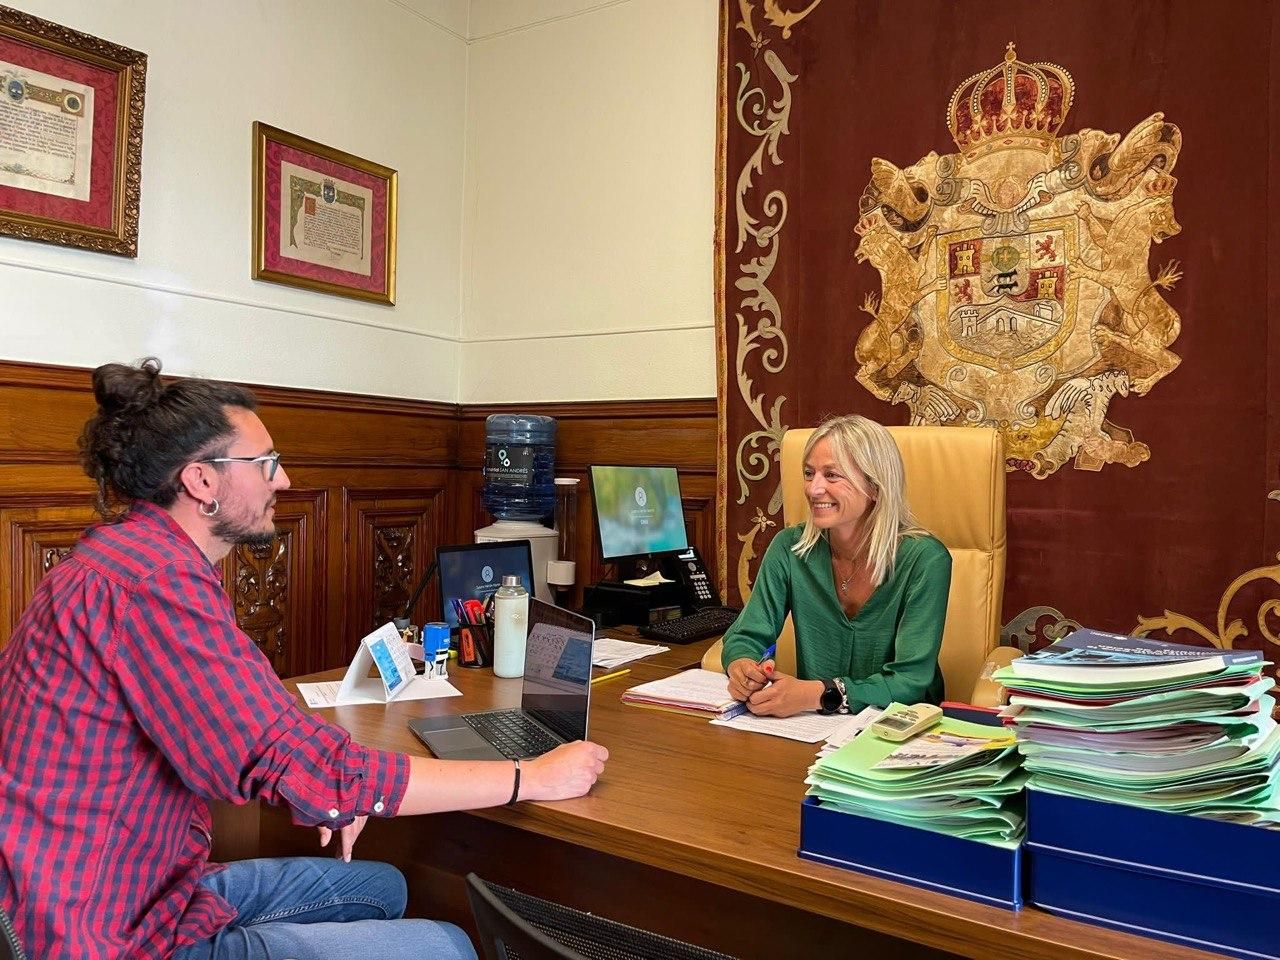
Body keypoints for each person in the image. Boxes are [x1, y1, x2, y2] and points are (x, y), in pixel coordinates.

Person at [0, 358, 608, 960]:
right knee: (445, 945)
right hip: (101, 930)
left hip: (138, 887)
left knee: (380, 885)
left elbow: (254, 742)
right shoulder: (153, 585)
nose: (283, 480)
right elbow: (293, 758)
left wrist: (332, 788)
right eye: (265, 463)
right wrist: (535, 776)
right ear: (201, 482)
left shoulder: (128, 557)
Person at [721, 414, 952, 718]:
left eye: (831, 475)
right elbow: (745, 636)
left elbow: (910, 682)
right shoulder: (789, 548)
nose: (813, 489)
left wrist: (817, 694)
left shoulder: (926, 559)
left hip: (901, 728)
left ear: (874, 487)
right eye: (808, 473)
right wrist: (743, 666)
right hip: (815, 727)